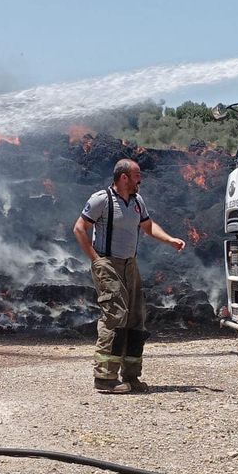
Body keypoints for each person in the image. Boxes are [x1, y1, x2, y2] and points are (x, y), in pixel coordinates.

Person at [72, 159, 186, 394]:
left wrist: (170, 240)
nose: (139, 180)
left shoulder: (136, 201)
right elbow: (79, 228)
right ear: (124, 177)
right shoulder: (101, 199)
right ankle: (104, 377)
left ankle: (131, 375)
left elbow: (148, 226)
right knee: (115, 316)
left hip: (130, 265)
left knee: (135, 318)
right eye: (136, 176)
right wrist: (97, 259)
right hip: (108, 264)